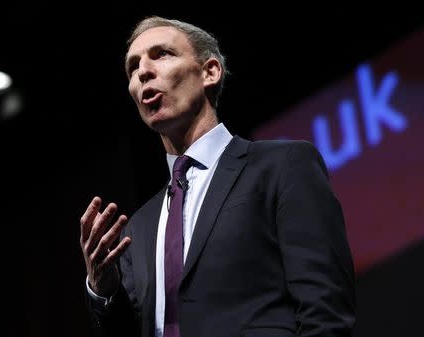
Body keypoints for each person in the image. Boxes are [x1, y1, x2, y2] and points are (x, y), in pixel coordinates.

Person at [79, 16, 356, 337]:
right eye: (132, 67)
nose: (142, 72)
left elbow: (325, 310)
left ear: (210, 72)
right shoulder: (138, 228)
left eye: (162, 54)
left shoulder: (282, 166)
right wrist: (103, 290)